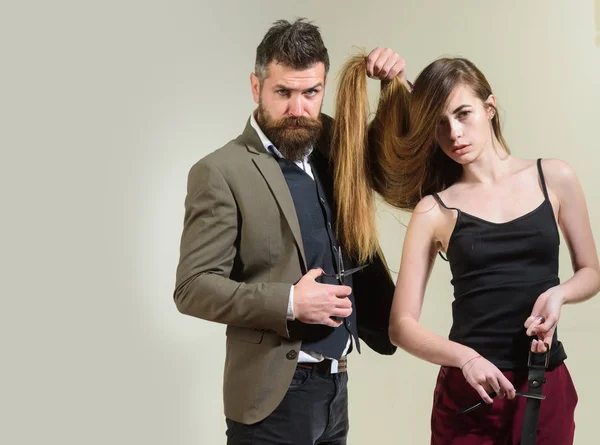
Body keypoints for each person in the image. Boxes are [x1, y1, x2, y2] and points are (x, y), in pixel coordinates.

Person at [332, 55, 600, 444]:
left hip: (544, 386)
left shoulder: (553, 177)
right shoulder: (434, 209)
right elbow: (400, 326)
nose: (454, 133)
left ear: (489, 108)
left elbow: (591, 271)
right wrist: (466, 358)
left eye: (463, 114)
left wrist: (559, 294)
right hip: (470, 395)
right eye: (439, 124)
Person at [173, 19, 409, 444]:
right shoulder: (220, 171)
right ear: (256, 86)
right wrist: (289, 301)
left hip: (335, 388)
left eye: (310, 93)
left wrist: (394, 87)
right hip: (272, 396)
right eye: (283, 93)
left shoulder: (333, 141)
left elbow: (402, 169)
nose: (298, 109)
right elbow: (193, 287)